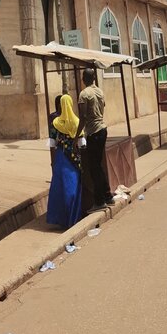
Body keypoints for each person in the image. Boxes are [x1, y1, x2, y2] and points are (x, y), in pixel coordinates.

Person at [76, 67, 113, 209]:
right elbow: (104, 106)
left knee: (94, 168)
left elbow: (83, 117)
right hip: (103, 129)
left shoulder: (84, 94)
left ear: (83, 79)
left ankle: (99, 201)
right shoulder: (100, 91)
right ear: (94, 78)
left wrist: (76, 137)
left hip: (93, 132)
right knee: (98, 166)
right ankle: (107, 196)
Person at [46, 94, 83, 229]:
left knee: (60, 188)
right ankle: (73, 218)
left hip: (61, 157)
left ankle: (61, 219)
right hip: (74, 159)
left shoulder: (56, 123)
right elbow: (82, 143)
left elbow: (52, 143)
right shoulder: (77, 122)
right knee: (72, 187)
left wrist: (53, 161)